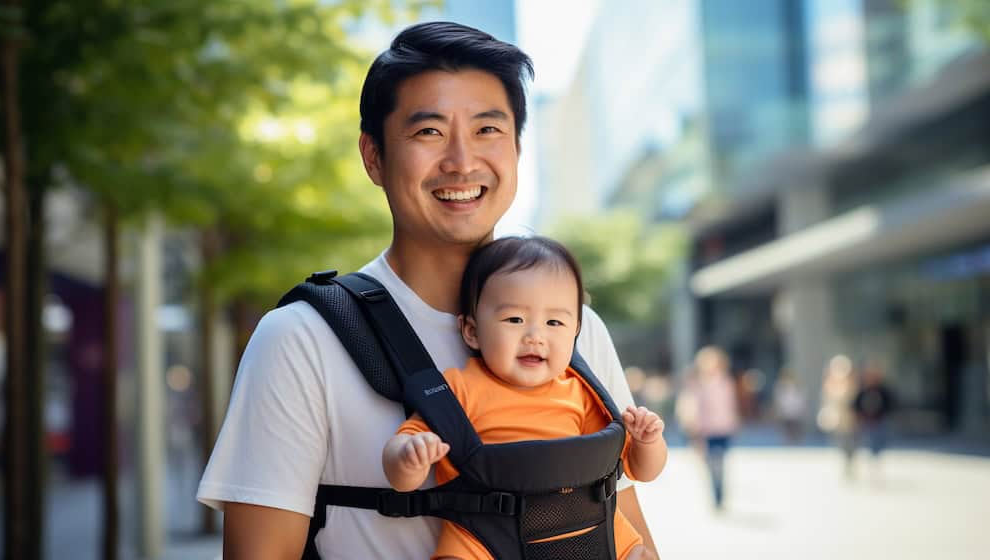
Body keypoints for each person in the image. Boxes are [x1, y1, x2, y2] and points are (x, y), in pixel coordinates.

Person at [196, 21, 659, 559]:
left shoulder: (573, 328)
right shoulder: (301, 340)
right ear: (374, 156)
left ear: (516, 149)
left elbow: (623, 525)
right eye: (429, 132)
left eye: (488, 130)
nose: (462, 161)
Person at [383, 236, 666, 560]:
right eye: (515, 319)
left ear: (574, 331)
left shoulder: (579, 390)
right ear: (472, 331)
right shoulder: (460, 388)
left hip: (589, 527)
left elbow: (641, 471)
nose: (535, 336)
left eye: (554, 322)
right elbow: (400, 477)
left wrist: (646, 442)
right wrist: (407, 457)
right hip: (488, 535)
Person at [691, 346, 739, 510]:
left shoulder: (726, 382)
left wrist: (734, 423)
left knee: (721, 463)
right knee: (712, 464)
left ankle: (720, 495)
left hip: (724, 428)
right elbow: (696, 409)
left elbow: (730, 405)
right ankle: (716, 495)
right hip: (707, 430)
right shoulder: (699, 385)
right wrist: (696, 431)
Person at [817, 355, 859, 479]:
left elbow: (854, 401)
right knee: (842, 442)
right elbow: (826, 401)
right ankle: (846, 463)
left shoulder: (852, 384)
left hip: (850, 420)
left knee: (851, 443)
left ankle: (850, 462)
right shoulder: (830, 384)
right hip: (838, 420)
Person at [853, 360, 895, 474]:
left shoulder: (882, 390)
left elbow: (890, 404)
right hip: (866, 422)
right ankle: (868, 462)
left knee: (879, 442)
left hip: (879, 421)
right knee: (867, 442)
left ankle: (875, 461)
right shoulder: (862, 390)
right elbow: (855, 405)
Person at [772, 368, 806, 444]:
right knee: (787, 428)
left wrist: (802, 409)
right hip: (786, 412)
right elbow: (779, 399)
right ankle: (789, 442)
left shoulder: (797, 386)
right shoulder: (781, 386)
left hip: (795, 411)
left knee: (795, 428)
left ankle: (795, 442)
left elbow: (801, 399)